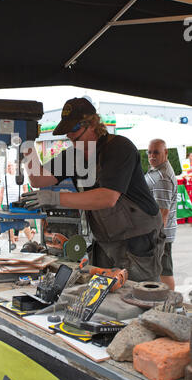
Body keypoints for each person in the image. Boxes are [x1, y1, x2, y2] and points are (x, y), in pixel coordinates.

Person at [21, 97, 165, 282]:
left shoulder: (119, 148)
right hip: (104, 238)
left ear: (93, 124)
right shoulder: (74, 155)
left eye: (74, 129)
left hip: (137, 238)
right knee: (102, 295)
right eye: (67, 131)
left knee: (137, 296)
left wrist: (55, 198)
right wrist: (26, 143)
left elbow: (107, 197)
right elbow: (38, 178)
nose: (70, 136)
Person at [145, 139, 177, 290]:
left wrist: (156, 239)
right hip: (160, 233)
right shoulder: (157, 171)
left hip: (161, 234)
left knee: (164, 272)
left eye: (156, 152)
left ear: (166, 153)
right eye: (149, 152)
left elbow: (163, 212)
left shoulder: (162, 177)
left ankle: (172, 305)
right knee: (162, 271)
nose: (151, 156)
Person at [0, 162, 35, 249]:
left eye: (11, 165)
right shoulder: (4, 177)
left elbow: (25, 190)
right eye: (8, 166)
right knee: (9, 223)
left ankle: (31, 240)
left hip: (19, 204)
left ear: (15, 166)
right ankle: (12, 243)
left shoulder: (21, 177)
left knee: (22, 223)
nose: (9, 167)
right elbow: (1, 193)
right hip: (7, 204)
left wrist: (23, 200)